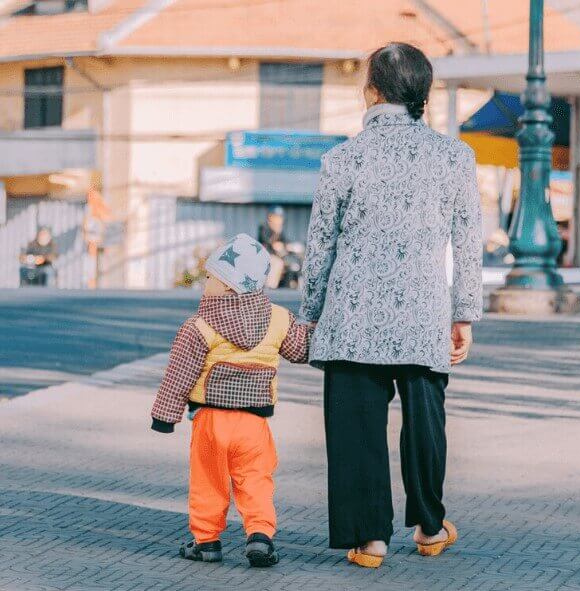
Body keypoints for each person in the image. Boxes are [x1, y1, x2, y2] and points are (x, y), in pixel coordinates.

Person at [300, 43, 483, 568]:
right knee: (426, 424)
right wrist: (463, 313)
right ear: (422, 93)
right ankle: (429, 526)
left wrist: (310, 315)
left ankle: (370, 540)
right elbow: (468, 242)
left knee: (356, 428)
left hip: (351, 319)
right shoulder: (455, 157)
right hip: (424, 316)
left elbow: (321, 247)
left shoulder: (342, 159)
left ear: (372, 91)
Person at [150, 233, 312, 568]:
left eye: (210, 277)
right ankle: (260, 535)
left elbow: (179, 375)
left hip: (211, 421)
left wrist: (165, 416)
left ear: (228, 286)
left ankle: (206, 540)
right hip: (254, 425)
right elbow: (299, 351)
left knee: (208, 480)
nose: (204, 282)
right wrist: (314, 328)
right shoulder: (279, 319)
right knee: (256, 479)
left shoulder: (199, 326)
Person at [258, 206, 288, 288]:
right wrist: (276, 234)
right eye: (276, 217)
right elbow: (266, 240)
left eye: (280, 217)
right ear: (270, 217)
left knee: (289, 262)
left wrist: (285, 246)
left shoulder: (279, 229)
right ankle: (270, 286)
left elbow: (284, 242)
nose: (279, 219)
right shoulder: (264, 227)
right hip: (265, 254)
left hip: (278, 255)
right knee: (276, 262)